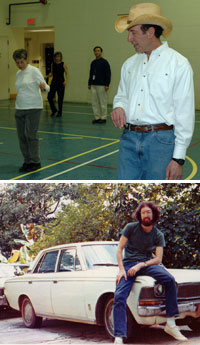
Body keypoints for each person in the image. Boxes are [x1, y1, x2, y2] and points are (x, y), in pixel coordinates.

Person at [110, 3, 195, 180]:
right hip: (128, 141)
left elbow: (184, 112)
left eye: (133, 32)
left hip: (162, 143)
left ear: (150, 32)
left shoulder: (178, 64)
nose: (129, 39)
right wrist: (119, 106)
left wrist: (178, 159)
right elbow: (122, 95)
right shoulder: (129, 64)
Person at [113, 201, 188, 344]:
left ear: (153, 215)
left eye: (148, 212)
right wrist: (121, 270)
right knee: (119, 296)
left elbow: (158, 259)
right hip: (129, 265)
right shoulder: (130, 228)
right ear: (139, 215)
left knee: (169, 279)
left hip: (146, 263)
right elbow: (119, 249)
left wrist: (142, 264)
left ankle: (171, 324)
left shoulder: (158, 234)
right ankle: (119, 336)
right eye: (143, 212)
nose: (146, 215)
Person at [13, 49, 50, 173]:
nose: (20, 65)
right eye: (17, 62)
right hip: (19, 108)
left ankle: (35, 161)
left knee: (31, 135)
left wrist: (44, 87)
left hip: (33, 107)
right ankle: (27, 161)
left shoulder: (34, 71)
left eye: (22, 62)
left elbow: (47, 87)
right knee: (22, 136)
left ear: (27, 60)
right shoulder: (18, 73)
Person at [88, 46, 111, 124]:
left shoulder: (105, 62)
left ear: (101, 52)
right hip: (93, 85)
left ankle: (103, 118)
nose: (97, 52)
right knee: (94, 102)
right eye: (95, 51)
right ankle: (97, 117)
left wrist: (107, 84)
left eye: (98, 51)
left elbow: (108, 74)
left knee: (102, 102)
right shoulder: (93, 62)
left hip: (102, 85)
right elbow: (91, 73)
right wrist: (89, 83)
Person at [47, 51, 68, 117]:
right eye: (56, 56)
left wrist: (66, 81)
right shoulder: (53, 64)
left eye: (59, 56)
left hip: (61, 82)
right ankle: (54, 110)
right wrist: (47, 76)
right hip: (54, 82)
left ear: (61, 57)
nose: (57, 57)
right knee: (49, 97)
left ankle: (60, 112)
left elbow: (67, 73)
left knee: (60, 99)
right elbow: (52, 74)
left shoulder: (63, 64)